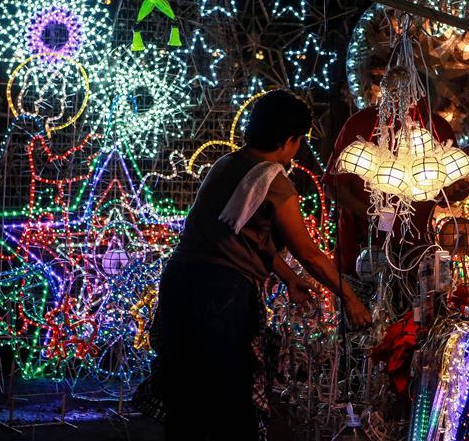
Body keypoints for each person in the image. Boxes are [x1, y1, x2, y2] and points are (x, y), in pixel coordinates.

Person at [157, 90, 371, 441]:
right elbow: (309, 253)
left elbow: (234, 237)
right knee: (228, 397)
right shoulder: (274, 181)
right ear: (289, 140)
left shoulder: (225, 165)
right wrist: (351, 298)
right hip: (221, 296)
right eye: (299, 140)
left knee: (187, 393)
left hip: (179, 284)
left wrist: (288, 279)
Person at [323, 98, 467, 276]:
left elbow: (445, 191)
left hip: (418, 253)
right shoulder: (362, 122)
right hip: (364, 253)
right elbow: (333, 187)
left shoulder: (438, 128)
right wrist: (373, 216)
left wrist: (454, 193)